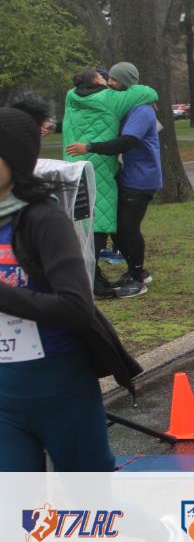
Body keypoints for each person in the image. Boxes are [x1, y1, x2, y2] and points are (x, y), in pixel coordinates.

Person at [0, 107, 144, 471]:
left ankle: (144, 523)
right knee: (15, 502)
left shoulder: (43, 220)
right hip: (4, 397)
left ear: (14, 160)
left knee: (89, 497)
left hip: (59, 387)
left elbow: (76, 307)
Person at [61, 64, 158, 297]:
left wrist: (88, 146)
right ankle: (97, 278)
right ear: (97, 81)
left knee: (107, 225)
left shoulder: (71, 97)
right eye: (107, 79)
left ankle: (129, 274)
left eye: (114, 79)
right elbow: (149, 92)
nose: (110, 82)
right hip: (103, 170)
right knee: (105, 224)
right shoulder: (112, 99)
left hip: (80, 168)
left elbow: (127, 141)